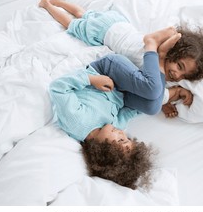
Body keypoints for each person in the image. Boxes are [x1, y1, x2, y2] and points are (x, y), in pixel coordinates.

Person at [48, 16, 190, 189]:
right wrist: (158, 100)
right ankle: (160, 63)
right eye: (127, 139)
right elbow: (132, 110)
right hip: (120, 86)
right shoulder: (115, 126)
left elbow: (58, 88)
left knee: (153, 92)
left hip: (104, 71)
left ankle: (153, 46)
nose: (123, 134)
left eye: (121, 140)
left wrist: (92, 79)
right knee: (153, 106)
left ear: (103, 151)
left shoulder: (77, 122)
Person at [39, 0, 203, 118]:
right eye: (179, 65)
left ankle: (61, 2)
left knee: (84, 13)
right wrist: (168, 97)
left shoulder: (161, 69)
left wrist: (165, 100)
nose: (177, 75)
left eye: (184, 75)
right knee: (73, 23)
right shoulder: (147, 57)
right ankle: (49, 5)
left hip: (119, 24)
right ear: (172, 52)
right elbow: (152, 84)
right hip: (104, 31)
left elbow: (152, 85)